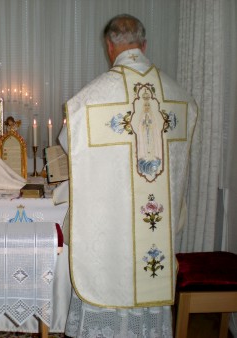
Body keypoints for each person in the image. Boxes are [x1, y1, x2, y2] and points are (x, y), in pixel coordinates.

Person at [58, 14, 200, 337]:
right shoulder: (178, 98)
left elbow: (67, 144)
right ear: (144, 44)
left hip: (111, 232)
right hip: (155, 226)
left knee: (107, 278)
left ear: (110, 47)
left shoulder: (88, 101)